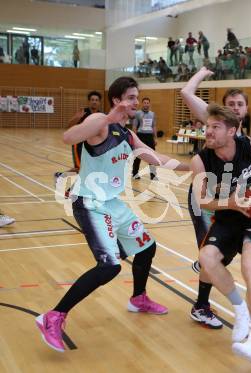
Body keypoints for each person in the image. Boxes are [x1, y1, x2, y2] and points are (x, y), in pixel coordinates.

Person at [35, 76, 189, 352]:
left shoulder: (125, 134)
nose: (135, 102)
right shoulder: (100, 127)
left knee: (147, 248)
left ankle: (138, 298)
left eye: (136, 97)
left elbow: (156, 158)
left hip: (113, 203)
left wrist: (193, 167)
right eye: (130, 97)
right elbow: (67, 137)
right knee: (109, 266)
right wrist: (106, 117)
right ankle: (53, 317)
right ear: (117, 100)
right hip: (91, 203)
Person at [190, 102, 251, 364]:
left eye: (215, 127)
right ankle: (241, 311)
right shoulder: (200, 160)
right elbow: (203, 199)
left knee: (249, 267)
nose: (208, 132)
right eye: (207, 126)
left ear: (232, 131)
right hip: (228, 212)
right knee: (207, 258)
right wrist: (230, 202)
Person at [180, 67, 251, 329]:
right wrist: (201, 73)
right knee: (210, 254)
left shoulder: (247, 142)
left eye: (239, 104)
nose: (235, 107)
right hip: (205, 199)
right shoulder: (215, 121)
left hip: (228, 203)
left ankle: (206, 267)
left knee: (219, 256)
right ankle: (201, 306)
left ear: (246, 110)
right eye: (230, 103)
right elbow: (186, 92)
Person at [67, 91, 102, 172]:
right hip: (79, 144)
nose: (94, 102)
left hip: (93, 145)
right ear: (89, 101)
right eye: (92, 100)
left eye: (96, 100)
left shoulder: (101, 115)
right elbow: (69, 126)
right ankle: (61, 177)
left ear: (99, 102)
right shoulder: (83, 112)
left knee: (91, 168)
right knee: (79, 168)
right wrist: (77, 118)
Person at [132, 97, 157, 180]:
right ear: (142, 104)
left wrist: (155, 138)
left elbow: (154, 126)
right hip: (140, 136)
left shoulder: (152, 114)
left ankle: (153, 175)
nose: (146, 104)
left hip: (149, 136)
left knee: (152, 156)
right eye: (144, 103)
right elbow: (135, 126)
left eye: (147, 103)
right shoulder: (137, 113)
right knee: (138, 155)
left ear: (149, 104)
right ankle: (135, 173)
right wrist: (134, 138)